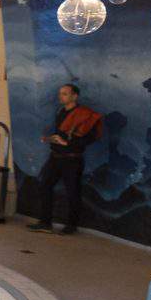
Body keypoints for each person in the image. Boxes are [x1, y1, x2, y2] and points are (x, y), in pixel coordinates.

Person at [29, 82, 102, 234]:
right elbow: (62, 134)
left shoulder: (85, 114)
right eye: (60, 93)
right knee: (44, 185)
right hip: (55, 156)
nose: (60, 96)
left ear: (74, 96)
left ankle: (71, 226)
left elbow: (90, 138)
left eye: (65, 94)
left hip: (72, 159)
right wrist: (51, 139)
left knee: (72, 192)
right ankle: (45, 222)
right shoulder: (61, 111)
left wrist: (68, 143)